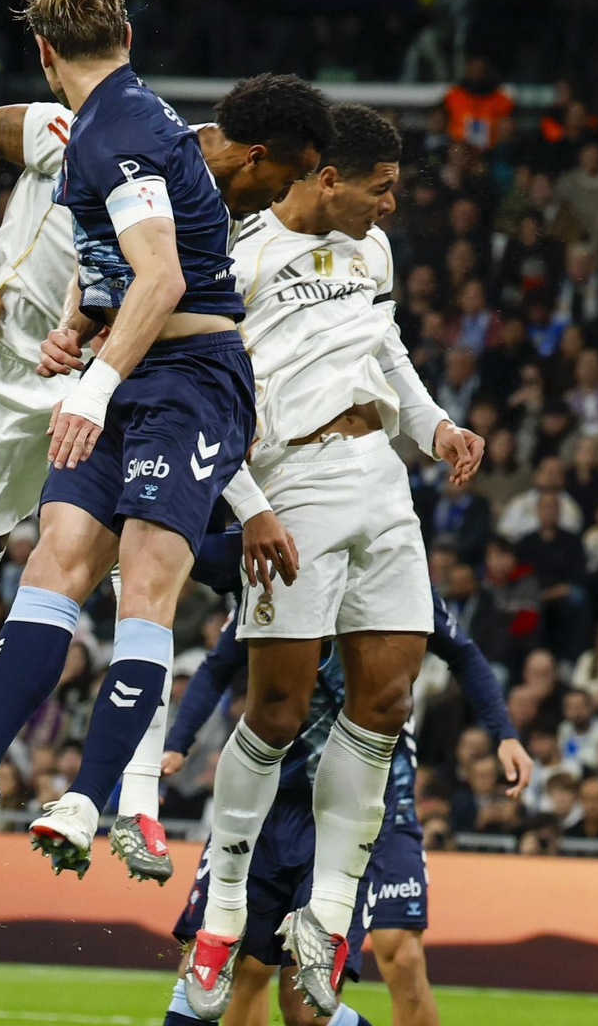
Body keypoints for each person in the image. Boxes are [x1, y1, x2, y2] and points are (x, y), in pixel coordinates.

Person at [0, 0, 330, 876]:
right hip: (119, 367)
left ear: (44, 52)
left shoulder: (116, 131)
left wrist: (89, 387)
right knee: (54, 562)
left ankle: (99, 799)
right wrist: (78, 329)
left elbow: (163, 278)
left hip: (187, 379)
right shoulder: (120, 122)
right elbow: (124, 271)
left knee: (145, 584)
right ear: (125, 34)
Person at [181, 106, 485, 1018]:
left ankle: (324, 922)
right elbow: (213, 397)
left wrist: (433, 426)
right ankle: (225, 912)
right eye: (380, 189)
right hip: (293, 482)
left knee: (386, 703)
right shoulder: (240, 257)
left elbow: (385, 347)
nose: (389, 208)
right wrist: (254, 506)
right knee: (274, 710)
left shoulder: (372, 255)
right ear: (327, 180)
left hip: (381, 480)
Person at [161, 573, 532, 1026]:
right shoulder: (280, 577)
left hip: (362, 807)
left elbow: (464, 654)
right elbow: (219, 662)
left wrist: (505, 734)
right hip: (267, 801)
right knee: (218, 964)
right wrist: (177, 742)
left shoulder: (397, 578)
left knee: (354, 982)